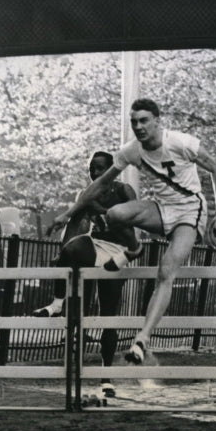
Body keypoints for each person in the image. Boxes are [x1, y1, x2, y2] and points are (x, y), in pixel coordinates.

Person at [49, 98, 216, 365]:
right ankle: (134, 249)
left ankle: (141, 341)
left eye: (144, 121)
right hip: (161, 208)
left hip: (191, 212)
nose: (139, 127)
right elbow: (99, 184)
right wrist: (67, 214)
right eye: (134, 122)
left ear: (157, 121)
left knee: (166, 270)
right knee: (115, 214)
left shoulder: (180, 142)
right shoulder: (131, 151)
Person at [38, 151, 142, 398]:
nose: (95, 174)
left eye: (100, 169)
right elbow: (74, 223)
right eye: (91, 170)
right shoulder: (87, 193)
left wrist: (103, 210)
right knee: (72, 249)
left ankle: (107, 378)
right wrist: (64, 252)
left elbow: (133, 220)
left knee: (108, 316)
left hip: (119, 250)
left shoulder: (124, 190)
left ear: (111, 170)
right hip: (95, 245)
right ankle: (56, 304)